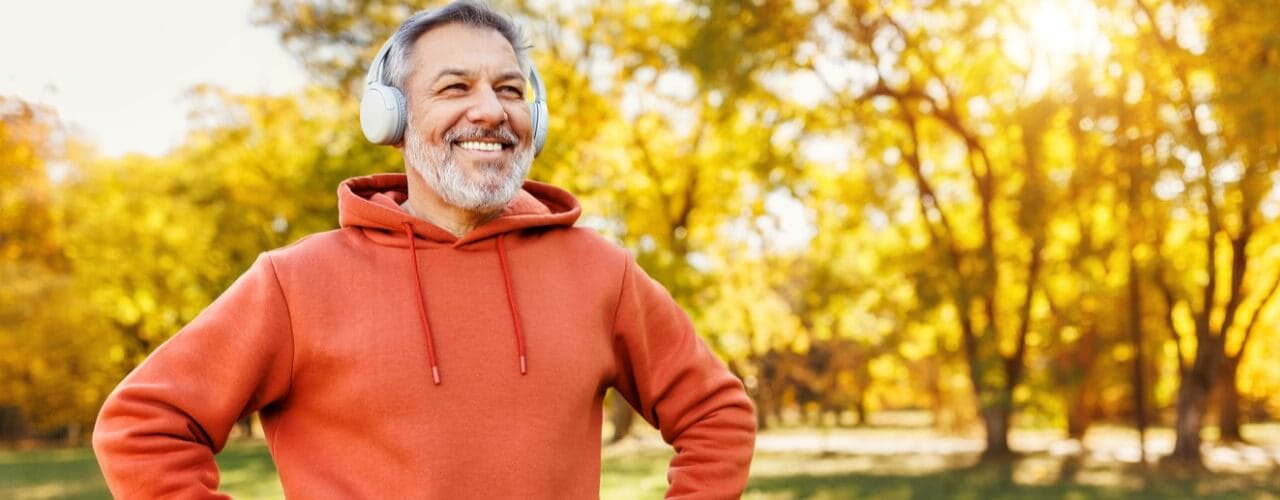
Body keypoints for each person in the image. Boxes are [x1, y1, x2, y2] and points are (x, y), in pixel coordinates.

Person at [91, 1, 757, 498]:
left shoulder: (601, 272)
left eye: (509, 89)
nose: (490, 110)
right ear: (393, 118)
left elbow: (716, 414)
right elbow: (143, 427)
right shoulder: (294, 284)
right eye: (454, 87)